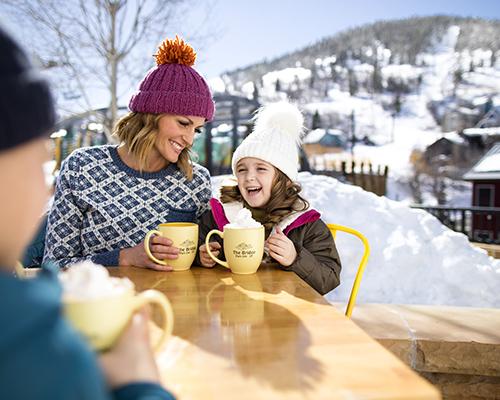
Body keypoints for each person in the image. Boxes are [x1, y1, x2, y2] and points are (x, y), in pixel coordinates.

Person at [0, 23, 174, 399]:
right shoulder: (35, 340)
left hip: (167, 322)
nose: (45, 186)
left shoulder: (193, 179)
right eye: (39, 162)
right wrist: (140, 381)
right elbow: (55, 261)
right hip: (97, 330)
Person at [43, 35, 215, 270]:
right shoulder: (82, 168)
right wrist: (124, 258)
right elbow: (52, 266)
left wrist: (205, 256)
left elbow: (198, 259)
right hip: (101, 303)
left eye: (197, 129)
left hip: (173, 303)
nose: (189, 139)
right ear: (151, 114)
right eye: (183, 123)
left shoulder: (196, 181)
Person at [196, 101, 341, 295]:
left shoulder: (305, 224)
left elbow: (329, 279)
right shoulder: (220, 215)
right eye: (242, 169)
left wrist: (296, 258)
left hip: (286, 314)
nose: (249, 177)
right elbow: (196, 248)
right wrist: (201, 257)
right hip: (235, 307)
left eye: (261, 169)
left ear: (285, 179)